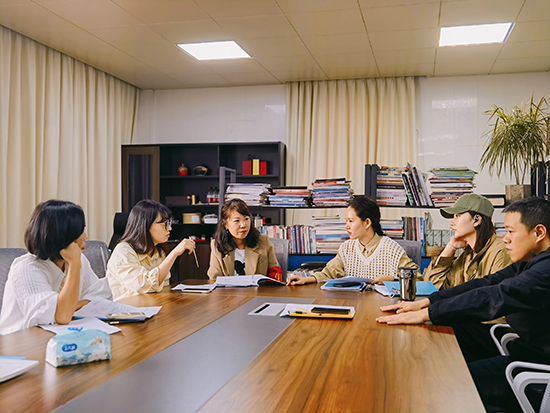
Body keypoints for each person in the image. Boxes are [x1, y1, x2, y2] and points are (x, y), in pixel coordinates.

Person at [376, 197, 550, 413]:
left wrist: (429, 312)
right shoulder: (532, 262)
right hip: (522, 353)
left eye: (511, 232)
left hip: (535, 370)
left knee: (445, 384)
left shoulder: (544, 270)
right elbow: (486, 283)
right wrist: (429, 302)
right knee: (438, 360)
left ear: (539, 232)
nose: (505, 238)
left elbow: (496, 295)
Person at [0, 200, 112, 335]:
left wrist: (71, 306)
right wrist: (74, 265)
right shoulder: (26, 268)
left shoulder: (78, 259)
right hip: (20, 342)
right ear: (63, 235)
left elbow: (101, 297)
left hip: (57, 336)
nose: (85, 237)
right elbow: (63, 316)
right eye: (80, 231)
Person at [287, 196, 418, 286]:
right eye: (346, 221)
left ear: (367, 223)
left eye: (351, 221)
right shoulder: (346, 248)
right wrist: (307, 279)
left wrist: (392, 280)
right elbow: (329, 272)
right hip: (352, 305)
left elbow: (417, 278)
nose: (347, 226)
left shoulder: (392, 249)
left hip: (382, 308)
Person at [106, 199, 195, 300]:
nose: (169, 228)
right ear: (146, 225)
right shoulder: (123, 251)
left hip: (152, 305)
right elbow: (145, 286)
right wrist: (174, 253)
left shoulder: (158, 251)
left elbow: (162, 288)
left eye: (169, 223)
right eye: (165, 224)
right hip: (128, 308)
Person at [424, 193, 512, 290]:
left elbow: (495, 295)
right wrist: (450, 247)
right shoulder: (467, 255)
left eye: (458, 216)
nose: (452, 222)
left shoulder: (500, 252)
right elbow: (431, 288)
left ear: (477, 220)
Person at [208, 199, 282, 280]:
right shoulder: (217, 245)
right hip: (228, 288)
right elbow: (214, 278)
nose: (243, 225)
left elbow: (275, 273)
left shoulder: (263, 241)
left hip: (258, 288)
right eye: (237, 221)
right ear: (226, 224)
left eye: (246, 219)